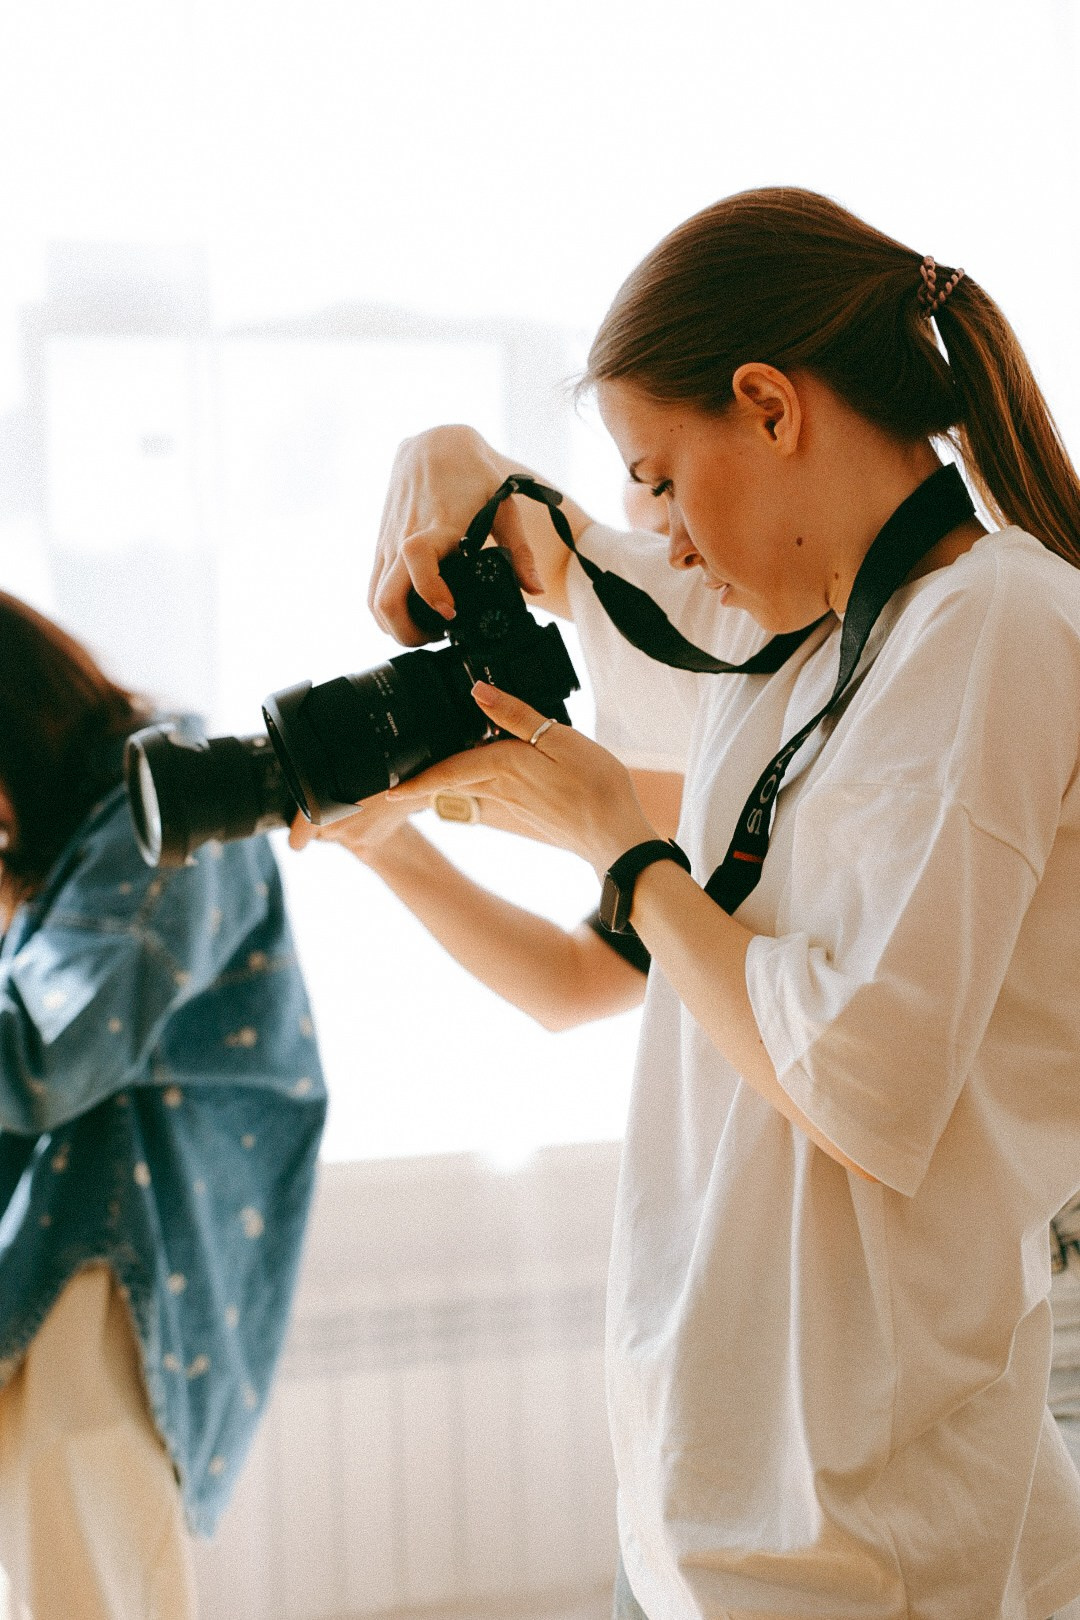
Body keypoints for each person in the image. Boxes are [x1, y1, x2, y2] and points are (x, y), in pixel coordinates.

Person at [346, 188, 1080, 1618]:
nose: (668, 536)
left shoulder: (995, 621)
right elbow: (610, 585)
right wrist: (454, 464)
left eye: (666, 480)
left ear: (769, 405)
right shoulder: (804, 651)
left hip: (861, 1529)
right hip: (715, 1507)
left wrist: (623, 853)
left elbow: (862, 1078)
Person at [0, 593, 326, 1619]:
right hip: (74, 1243)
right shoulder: (85, 827)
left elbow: (43, 1055)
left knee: (89, 1583)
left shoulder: (171, 804)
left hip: (111, 1245)